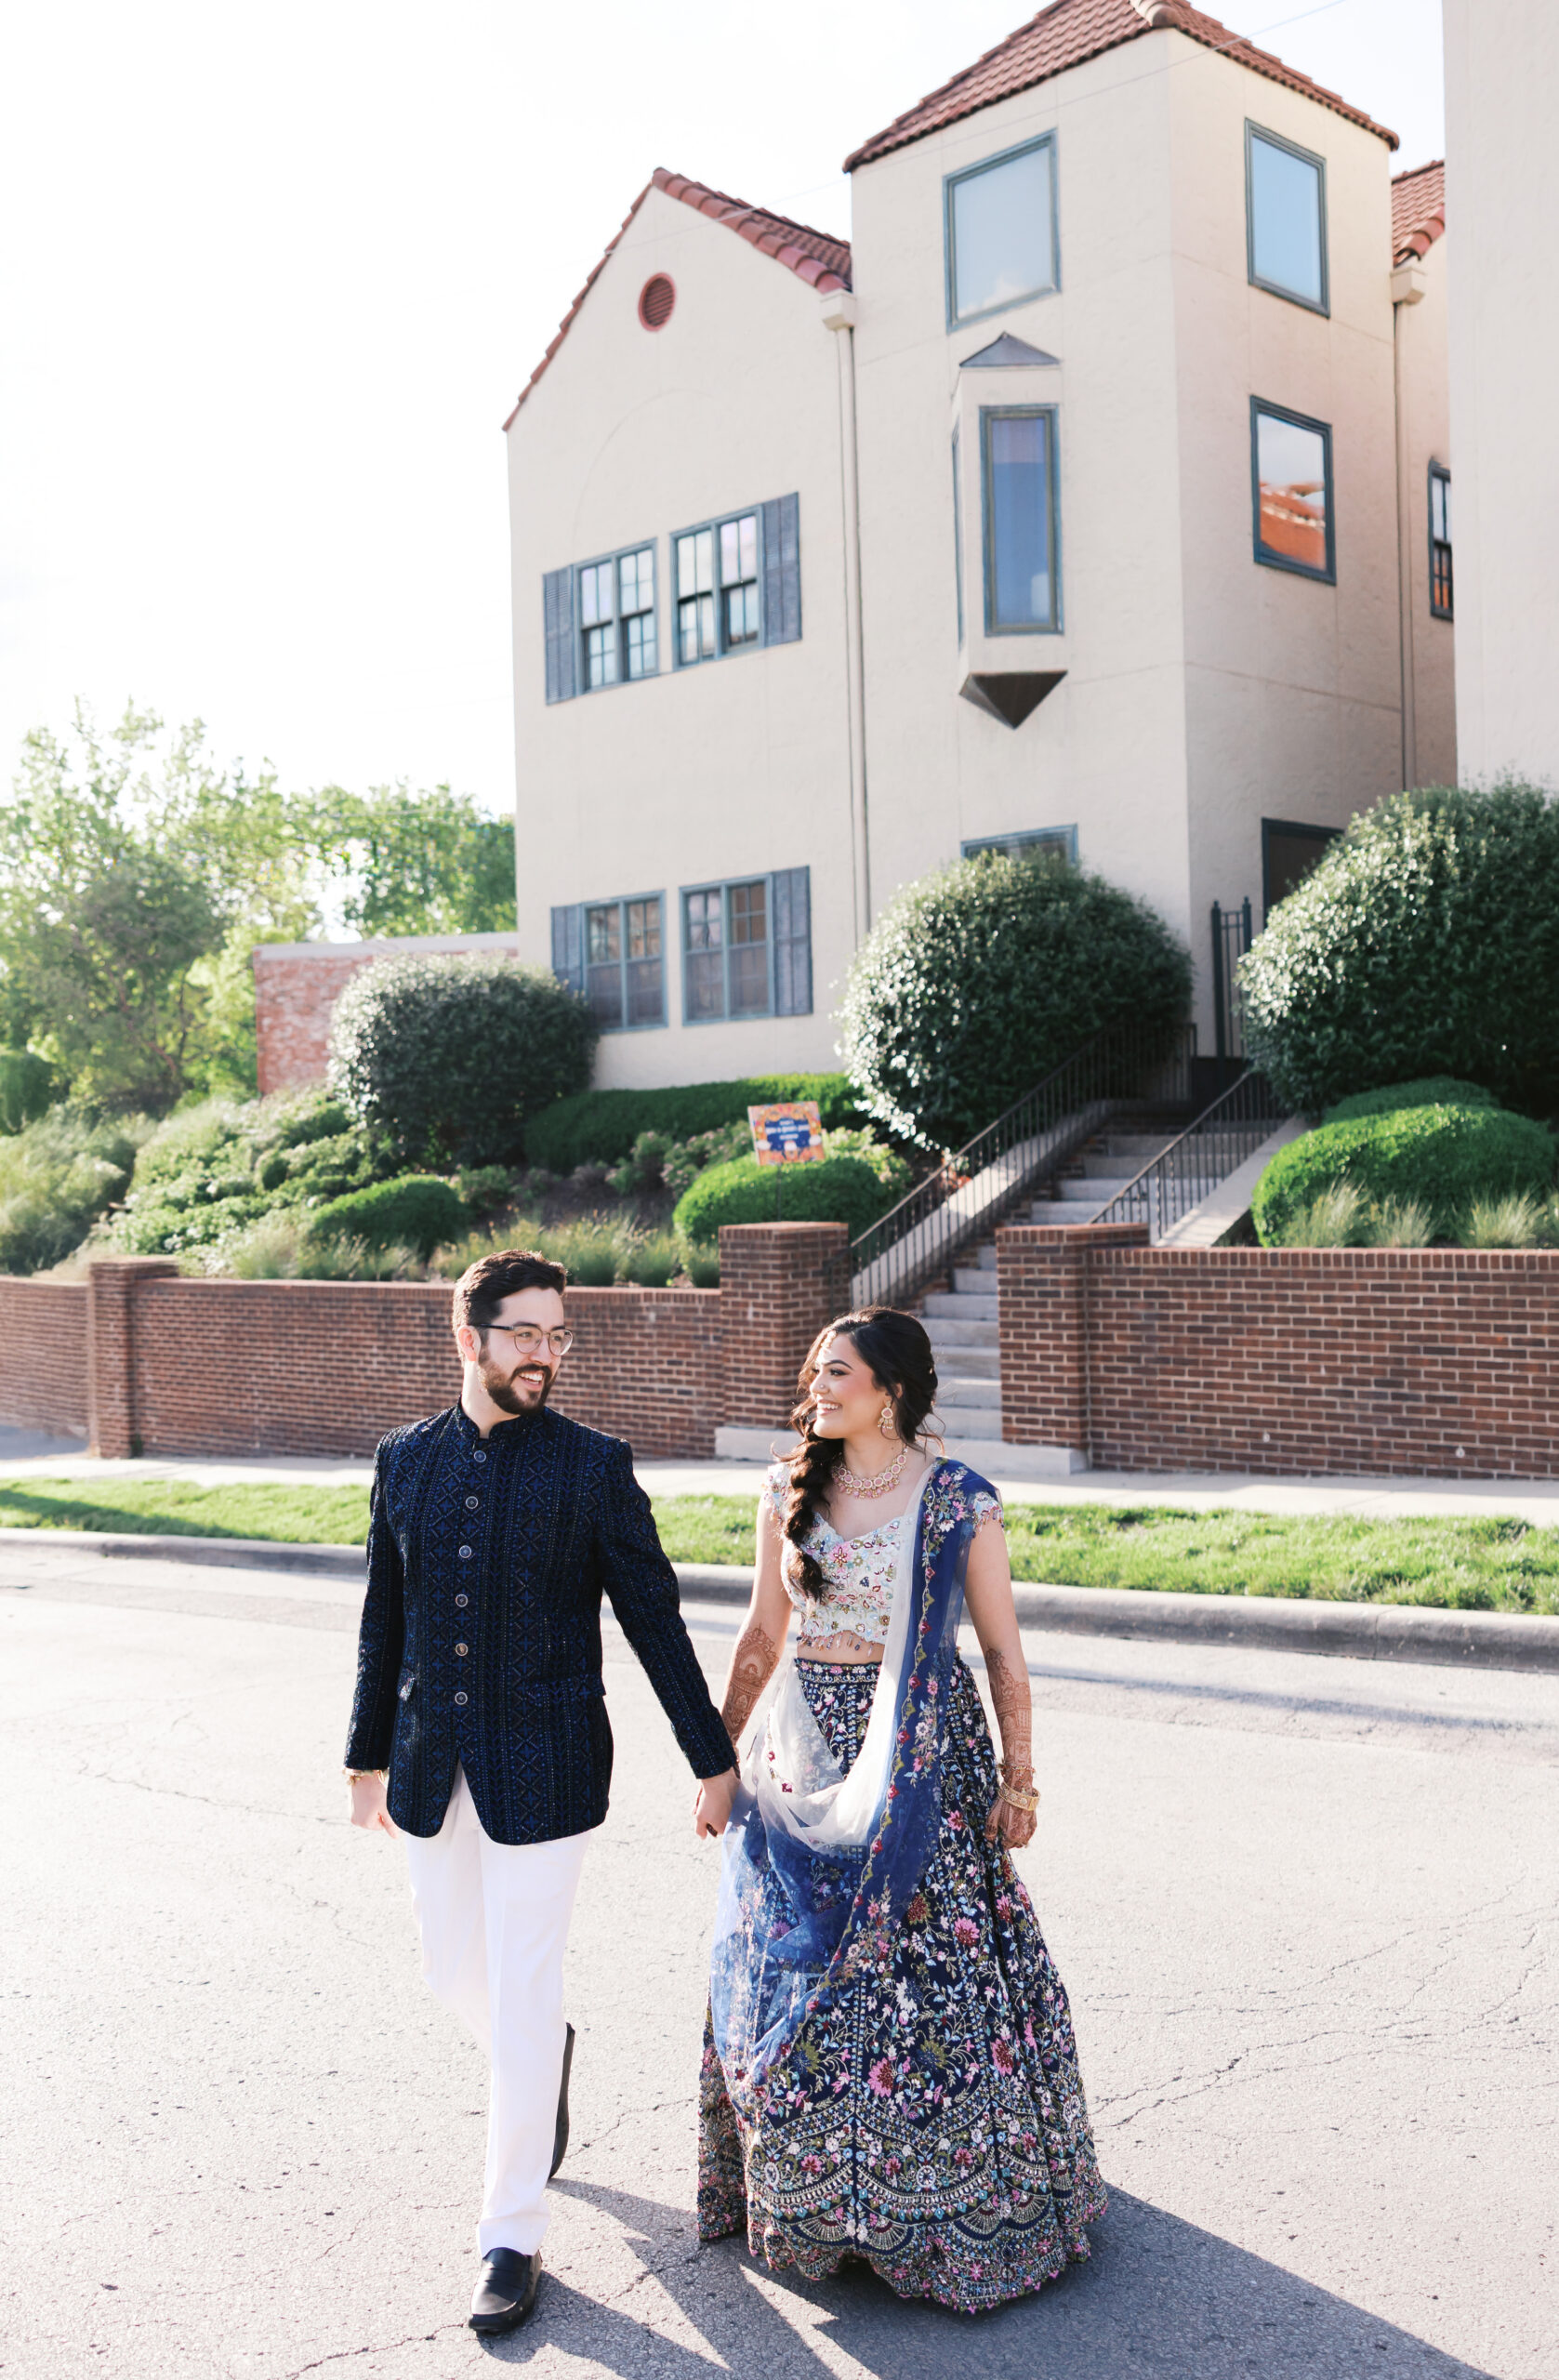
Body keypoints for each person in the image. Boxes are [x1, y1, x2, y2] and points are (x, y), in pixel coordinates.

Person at [344, 1249, 739, 2336]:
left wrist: (711, 1755)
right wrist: (363, 1751)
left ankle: (508, 2234)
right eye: (526, 1333)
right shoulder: (404, 1459)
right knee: (448, 1969)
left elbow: (654, 1618)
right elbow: (386, 1615)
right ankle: (544, 2055)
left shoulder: (593, 1466)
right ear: (468, 1336)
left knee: (519, 1986)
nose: (545, 1353)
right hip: (429, 1758)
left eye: (559, 1335)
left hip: (550, 1761)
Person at [693, 1306, 1104, 2313]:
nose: (817, 1390)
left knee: (924, 1963)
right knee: (796, 1958)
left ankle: (938, 2208)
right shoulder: (788, 1487)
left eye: (838, 1374)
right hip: (799, 1751)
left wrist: (1020, 1778)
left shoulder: (959, 1499)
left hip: (922, 1747)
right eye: (815, 1372)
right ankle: (809, 2196)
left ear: (892, 1389)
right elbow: (759, 1632)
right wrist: (714, 1756)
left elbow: (1004, 1650)